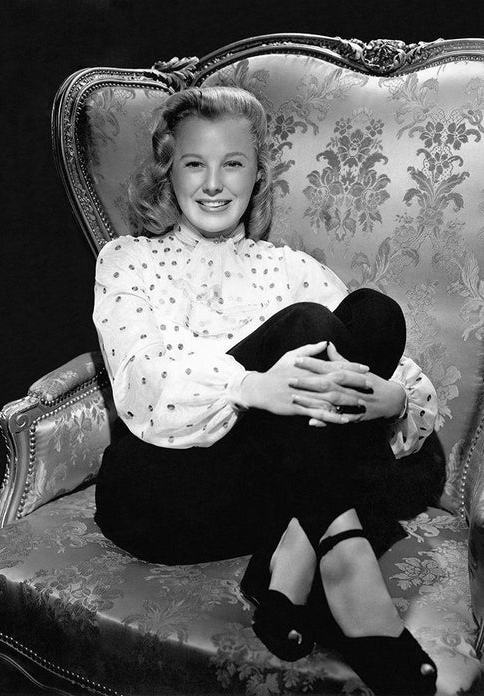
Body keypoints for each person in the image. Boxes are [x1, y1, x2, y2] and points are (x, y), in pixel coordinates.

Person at [93, 86, 439, 694]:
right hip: (165, 489)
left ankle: (291, 560)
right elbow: (142, 380)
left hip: (263, 487)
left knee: (375, 316)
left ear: (257, 176)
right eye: (194, 164)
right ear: (167, 172)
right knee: (308, 327)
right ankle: (346, 567)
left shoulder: (288, 267)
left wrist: (394, 401)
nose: (213, 184)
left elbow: (391, 365)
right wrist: (251, 387)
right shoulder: (128, 260)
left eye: (233, 163)